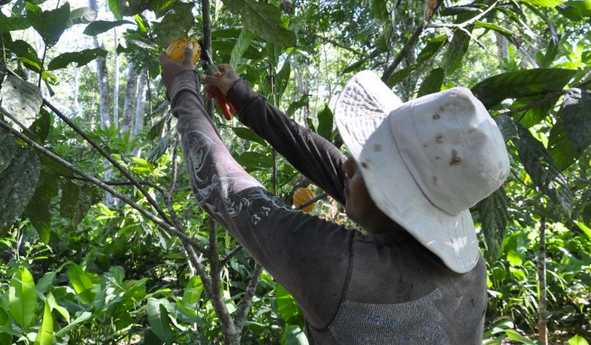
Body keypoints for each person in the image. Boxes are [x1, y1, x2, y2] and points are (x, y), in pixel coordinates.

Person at [158, 44, 510, 344]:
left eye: (364, 162)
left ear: (391, 196)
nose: (346, 167)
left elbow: (223, 188)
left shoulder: (340, 269)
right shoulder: (469, 265)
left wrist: (181, 89)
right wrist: (242, 97)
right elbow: (329, 164)